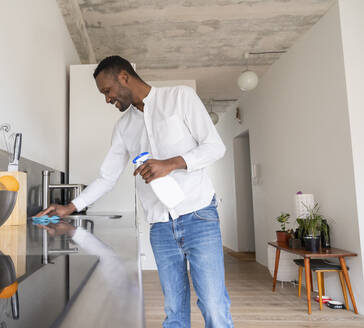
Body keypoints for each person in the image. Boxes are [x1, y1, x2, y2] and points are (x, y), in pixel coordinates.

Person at [36, 55, 233, 328]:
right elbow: (107, 177)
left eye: (107, 90)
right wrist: (70, 207)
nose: (107, 99)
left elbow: (214, 147)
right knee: (174, 311)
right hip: (160, 226)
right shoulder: (124, 127)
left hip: (198, 215)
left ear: (124, 77)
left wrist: (169, 164)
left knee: (213, 304)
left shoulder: (180, 98)